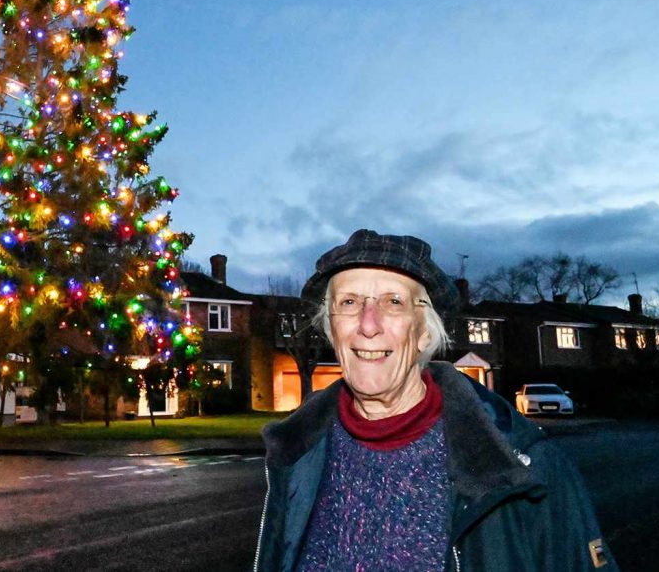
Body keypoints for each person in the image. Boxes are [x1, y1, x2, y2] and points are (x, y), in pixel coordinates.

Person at [254, 229, 617, 572]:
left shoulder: (528, 465)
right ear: (332, 328)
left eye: (394, 302)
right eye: (348, 302)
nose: (368, 324)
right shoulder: (295, 454)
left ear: (425, 332)